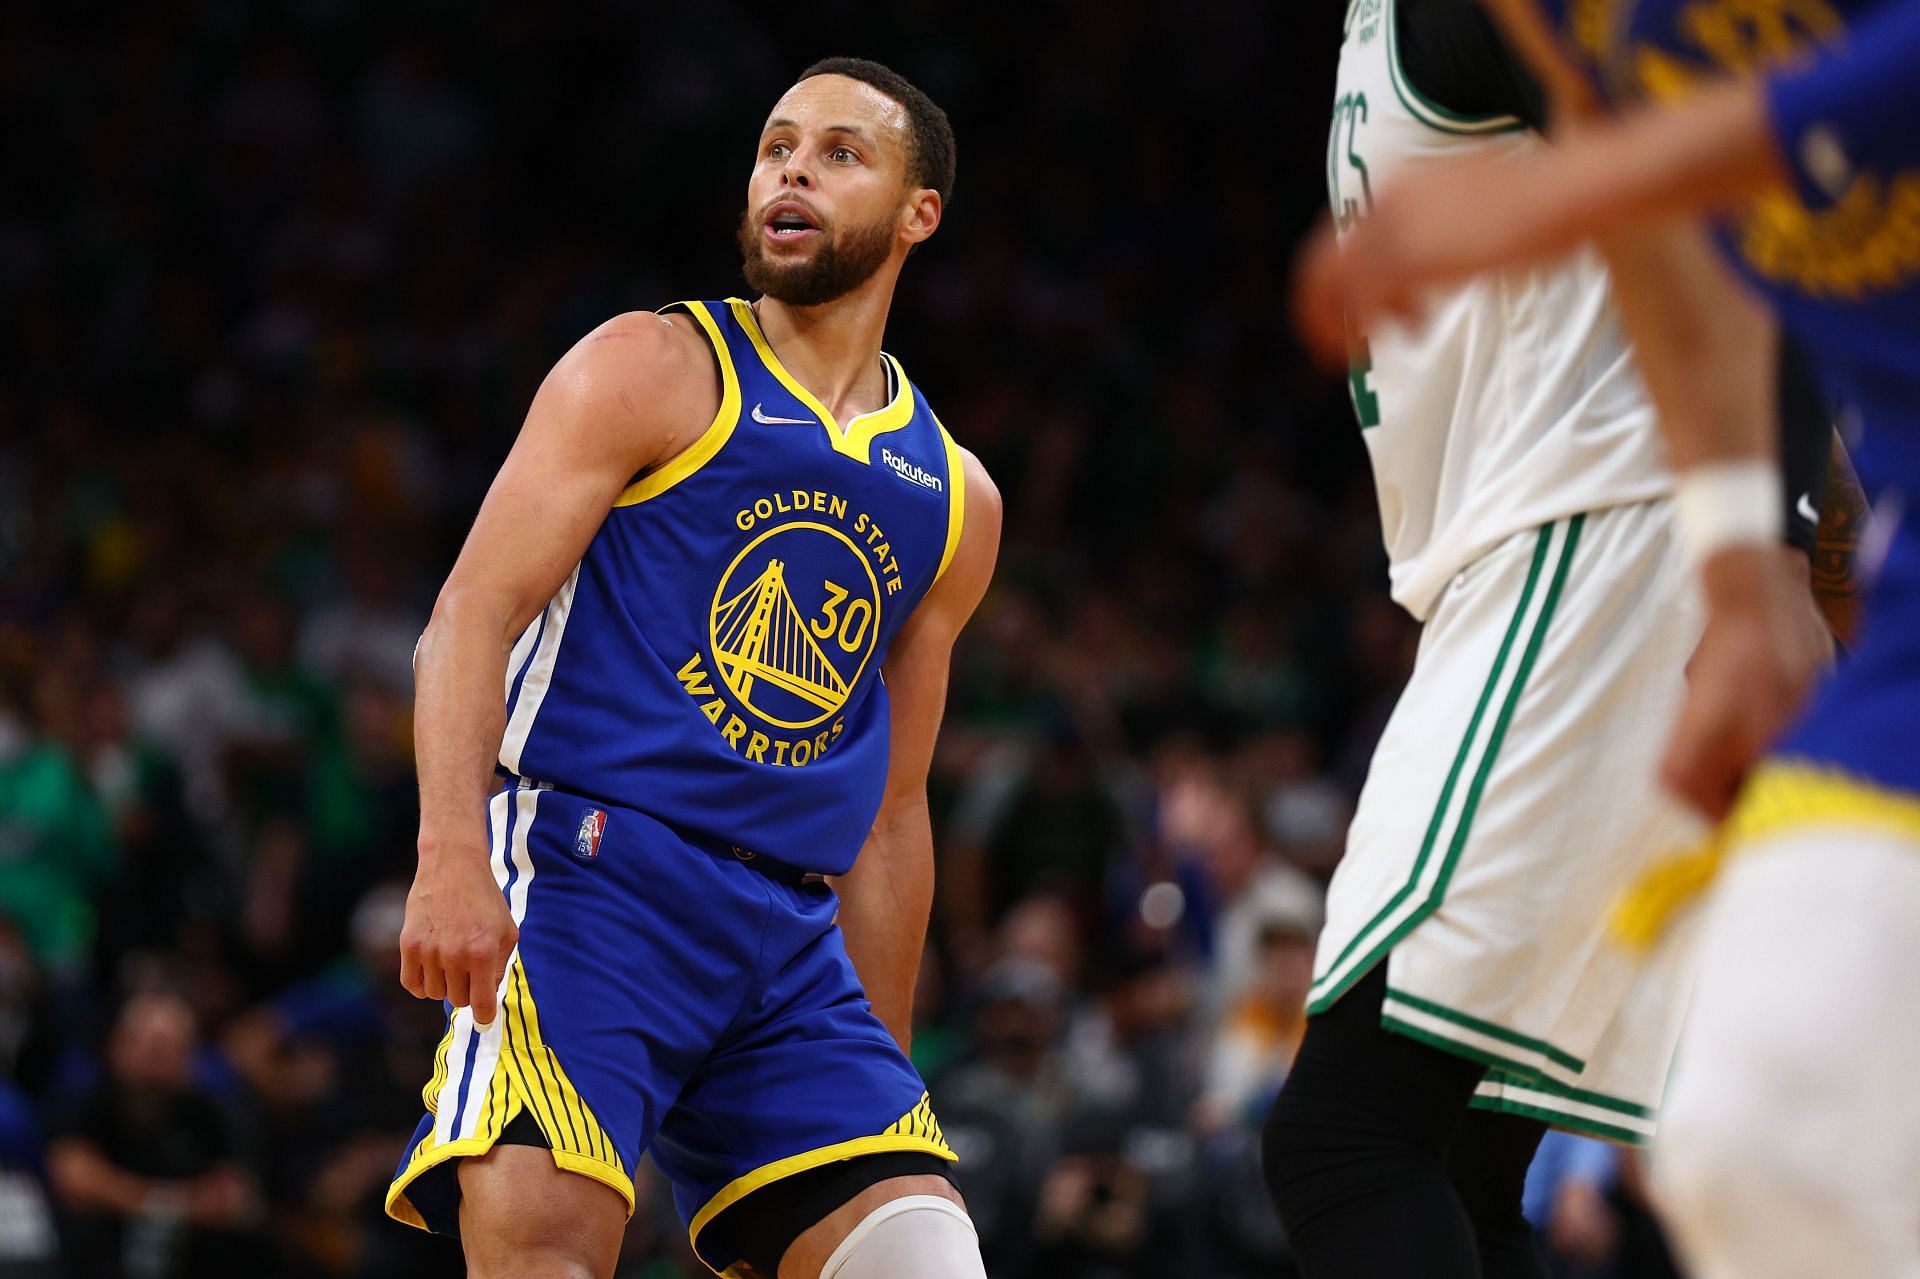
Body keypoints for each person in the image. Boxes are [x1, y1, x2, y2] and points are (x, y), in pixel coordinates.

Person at [1291, 4, 1920, 1275]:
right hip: (1580, 551)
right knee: (1476, 1148)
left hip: (1596, 536)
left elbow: (1716, 190)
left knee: (1341, 1138)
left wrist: (1773, 551)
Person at [382, 57, 1002, 1279]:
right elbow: (470, 611)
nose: (792, 172)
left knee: (921, 1253)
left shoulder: (956, 496)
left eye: (839, 154)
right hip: (587, 877)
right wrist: (451, 851)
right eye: (776, 147)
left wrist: (882, 1068)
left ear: (918, 212)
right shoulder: (652, 366)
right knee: (546, 1243)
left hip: (787, 933)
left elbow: (891, 813)